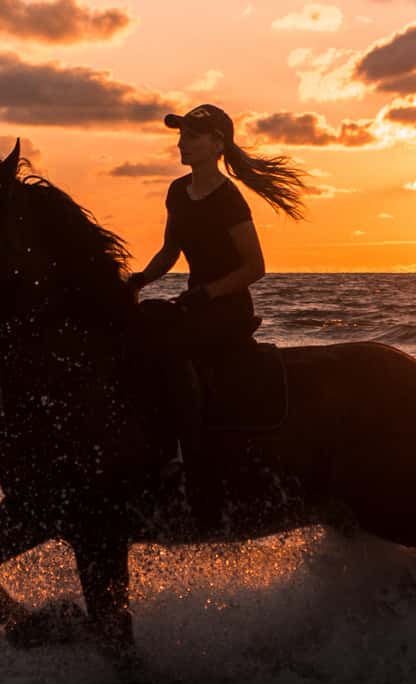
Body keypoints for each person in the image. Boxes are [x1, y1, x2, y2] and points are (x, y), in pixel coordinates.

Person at [127, 104, 308, 516]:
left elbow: (254, 267)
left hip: (227, 310)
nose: (181, 143)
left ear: (217, 144)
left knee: (171, 347)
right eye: (181, 136)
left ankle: (187, 456)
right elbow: (170, 250)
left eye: (191, 136)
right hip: (197, 303)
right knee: (140, 330)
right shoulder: (178, 190)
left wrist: (208, 293)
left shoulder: (229, 198)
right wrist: (138, 280)